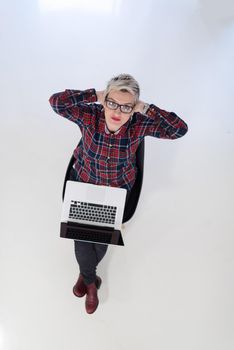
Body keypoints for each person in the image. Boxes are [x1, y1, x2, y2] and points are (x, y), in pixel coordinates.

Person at [49, 73, 188, 314]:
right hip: (83, 185)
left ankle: (86, 276)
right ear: (104, 100)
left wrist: (146, 108)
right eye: (112, 103)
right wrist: (93, 95)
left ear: (134, 108)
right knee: (82, 241)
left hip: (114, 192)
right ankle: (91, 284)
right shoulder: (90, 114)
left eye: (126, 107)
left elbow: (179, 130)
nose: (117, 111)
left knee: (101, 242)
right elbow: (56, 102)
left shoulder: (139, 123)